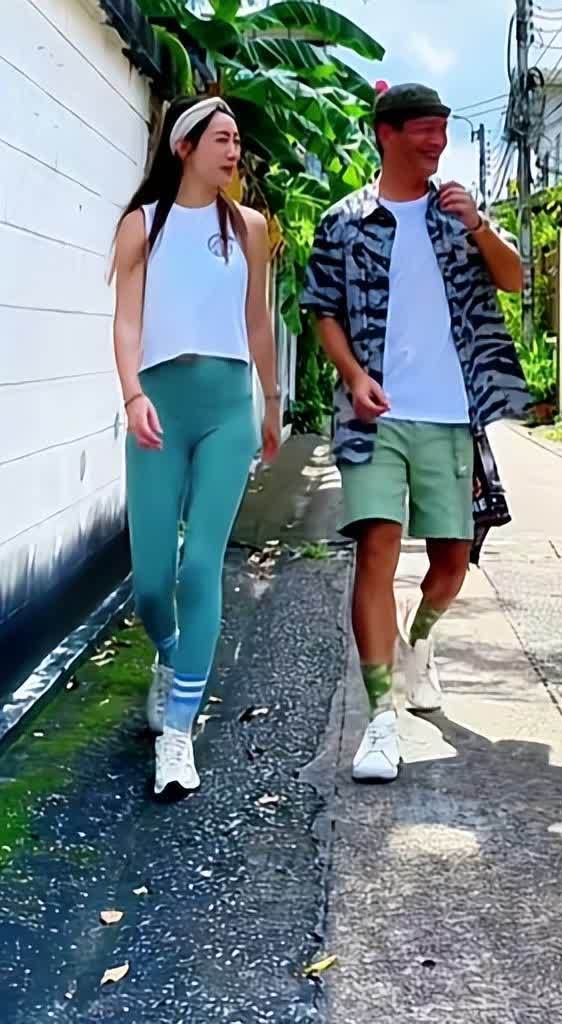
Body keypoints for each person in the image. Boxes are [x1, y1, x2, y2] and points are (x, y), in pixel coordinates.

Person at [304, 83, 529, 782]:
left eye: (443, 130)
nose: (437, 143)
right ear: (388, 134)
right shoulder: (344, 222)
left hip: (451, 414)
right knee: (376, 547)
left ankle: (420, 640)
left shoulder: (459, 216)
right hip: (374, 415)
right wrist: (351, 376)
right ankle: (379, 720)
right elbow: (323, 309)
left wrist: (480, 226)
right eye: (425, 130)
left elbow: (515, 280)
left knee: (452, 564)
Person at [111, 96, 281, 796]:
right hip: (159, 404)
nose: (234, 151)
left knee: (201, 564)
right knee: (153, 581)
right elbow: (126, 322)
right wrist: (133, 395)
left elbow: (258, 322)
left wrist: (272, 402)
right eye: (221, 139)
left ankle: (178, 734)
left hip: (226, 410)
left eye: (237, 140)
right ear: (184, 147)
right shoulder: (142, 225)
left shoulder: (248, 228)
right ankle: (173, 656)